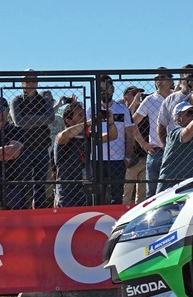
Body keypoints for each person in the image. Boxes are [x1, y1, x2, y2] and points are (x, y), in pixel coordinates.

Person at [54, 100, 114, 207]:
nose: (85, 118)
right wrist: (88, 123)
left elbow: (112, 135)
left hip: (85, 191)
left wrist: (110, 122)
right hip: (67, 193)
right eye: (80, 115)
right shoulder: (63, 137)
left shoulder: (87, 137)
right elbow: (64, 135)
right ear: (68, 120)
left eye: (84, 115)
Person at [10, 70, 55, 209]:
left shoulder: (44, 100)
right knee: (24, 183)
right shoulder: (16, 100)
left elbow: (51, 118)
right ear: (22, 83)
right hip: (24, 148)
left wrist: (28, 119)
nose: (31, 83)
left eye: (33, 81)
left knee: (40, 184)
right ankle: (24, 211)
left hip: (41, 147)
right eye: (28, 81)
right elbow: (18, 121)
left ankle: (39, 211)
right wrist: (40, 119)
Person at [90, 74, 134, 204]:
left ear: (112, 89)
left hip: (117, 159)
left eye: (105, 89)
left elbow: (130, 135)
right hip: (97, 159)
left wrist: (127, 156)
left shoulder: (123, 109)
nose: (103, 92)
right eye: (100, 90)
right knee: (97, 197)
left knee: (117, 196)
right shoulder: (91, 109)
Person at [134, 68, 174, 200]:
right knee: (152, 194)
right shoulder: (150, 100)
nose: (159, 81)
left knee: (173, 190)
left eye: (162, 77)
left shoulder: (177, 97)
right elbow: (133, 122)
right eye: (156, 78)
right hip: (155, 150)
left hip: (174, 149)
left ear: (170, 80)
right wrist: (142, 143)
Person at [0, 98, 28, 209]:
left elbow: (14, 152)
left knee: (14, 216)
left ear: (7, 110)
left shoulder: (16, 129)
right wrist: (4, 151)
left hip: (12, 179)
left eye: (2, 107)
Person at [121, 85, 147, 203]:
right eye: (134, 94)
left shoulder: (143, 110)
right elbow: (128, 121)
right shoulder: (120, 110)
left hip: (144, 155)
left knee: (142, 192)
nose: (138, 97)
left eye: (139, 94)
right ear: (126, 97)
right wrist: (134, 104)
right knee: (127, 191)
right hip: (130, 158)